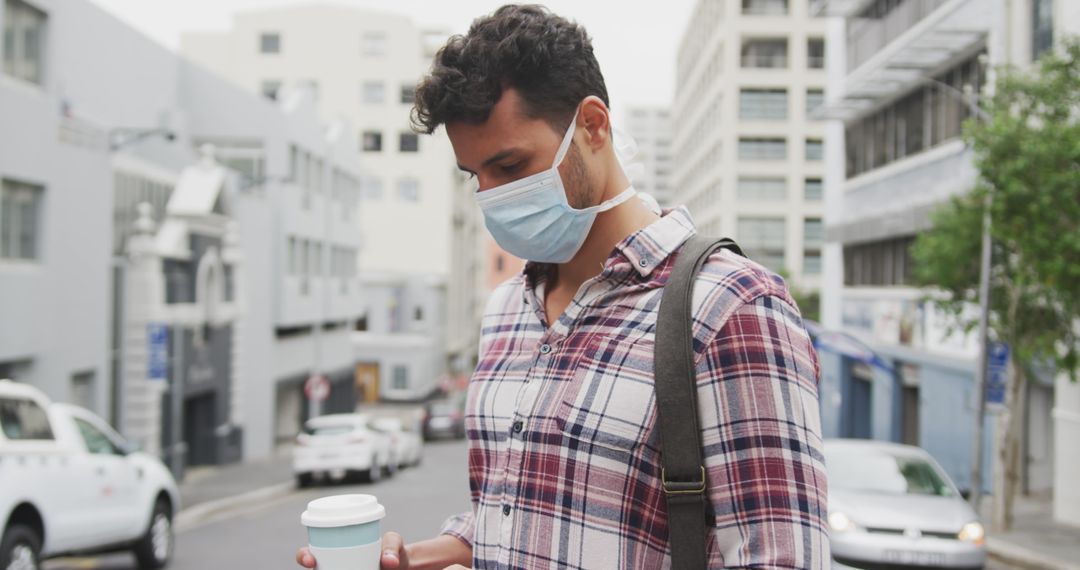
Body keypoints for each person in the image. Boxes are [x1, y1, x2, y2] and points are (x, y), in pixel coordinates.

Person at [297, 4, 829, 569]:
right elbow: (524, 502)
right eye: (475, 176)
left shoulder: (733, 308)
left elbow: (782, 557)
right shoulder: (506, 309)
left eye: (509, 165)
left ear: (594, 126)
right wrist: (436, 553)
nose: (491, 196)